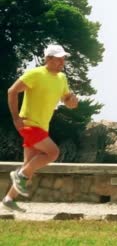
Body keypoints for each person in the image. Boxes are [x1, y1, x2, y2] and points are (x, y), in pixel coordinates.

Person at [2, 44, 78, 212]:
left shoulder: (62, 79)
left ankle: (8, 199)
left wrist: (72, 101)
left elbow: (67, 99)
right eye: (58, 59)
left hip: (43, 126)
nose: (62, 62)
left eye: (63, 59)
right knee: (53, 153)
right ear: (48, 59)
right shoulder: (35, 74)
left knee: (29, 165)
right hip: (28, 123)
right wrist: (15, 118)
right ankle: (18, 176)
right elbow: (12, 91)